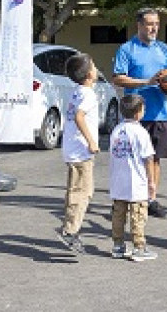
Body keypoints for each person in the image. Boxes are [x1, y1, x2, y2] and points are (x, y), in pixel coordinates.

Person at [112, 7, 167, 219]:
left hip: (160, 113)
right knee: (132, 160)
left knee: (155, 159)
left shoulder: (165, 50)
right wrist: (145, 82)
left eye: (156, 23)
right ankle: (128, 199)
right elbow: (118, 78)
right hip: (135, 115)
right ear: (139, 25)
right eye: (149, 23)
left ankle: (151, 200)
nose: (154, 28)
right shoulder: (127, 49)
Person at [56, 53, 100, 254]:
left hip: (73, 148)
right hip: (81, 150)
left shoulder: (77, 92)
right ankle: (70, 230)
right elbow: (80, 117)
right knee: (83, 192)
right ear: (90, 74)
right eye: (94, 65)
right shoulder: (88, 95)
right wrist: (91, 141)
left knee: (77, 191)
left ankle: (70, 227)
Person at [108, 94, 157, 262]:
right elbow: (148, 158)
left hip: (118, 181)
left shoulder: (116, 131)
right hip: (136, 181)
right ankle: (138, 247)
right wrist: (151, 182)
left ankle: (118, 245)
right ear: (138, 113)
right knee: (138, 215)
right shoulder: (140, 132)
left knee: (118, 215)